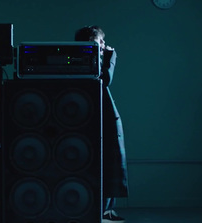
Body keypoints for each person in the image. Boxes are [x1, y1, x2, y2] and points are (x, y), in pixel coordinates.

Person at [75, 25, 129, 223]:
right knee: (106, 162)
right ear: (91, 43)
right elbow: (105, 79)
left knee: (110, 161)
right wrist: (111, 57)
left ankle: (106, 209)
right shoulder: (90, 62)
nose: (105, 45)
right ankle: (102, 209)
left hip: (102, 118)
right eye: (101, 42)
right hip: (99, 120)